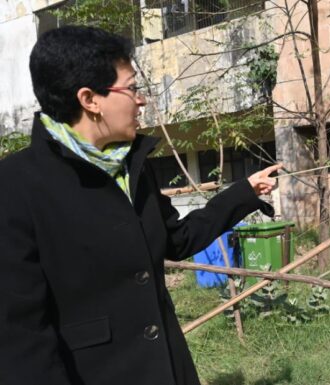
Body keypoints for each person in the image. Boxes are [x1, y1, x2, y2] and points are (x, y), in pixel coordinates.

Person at [0, 25, 281, 385]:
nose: (142, 99)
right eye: (132, 88)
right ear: (90, 100)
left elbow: (177, 239)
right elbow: (20, 337)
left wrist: (244, 193)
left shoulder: (132, 167)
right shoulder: (17, 186)